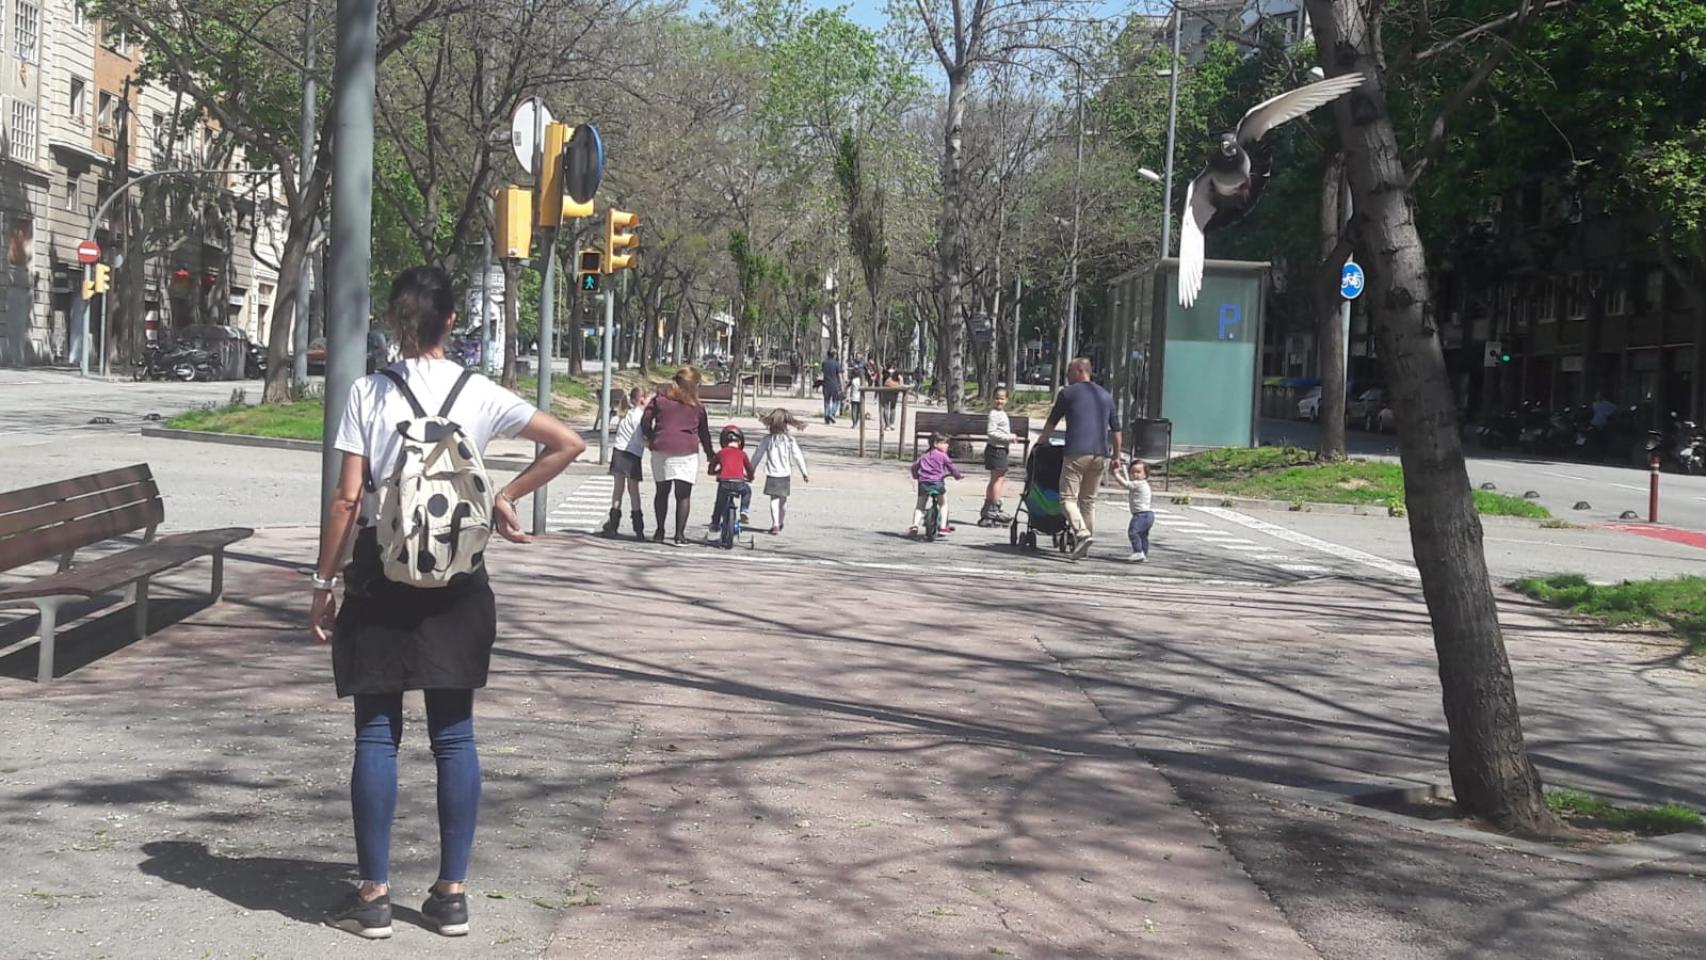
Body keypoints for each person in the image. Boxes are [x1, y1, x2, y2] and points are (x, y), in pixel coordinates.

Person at [311, 265, 585, 940]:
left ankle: (373, 898)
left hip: (381, 576)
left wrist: (325, 582)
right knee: (454, 736)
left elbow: (349, 499)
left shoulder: (368, 393)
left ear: (397, 322)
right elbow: (568, 443)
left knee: (377, 732)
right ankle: (451, 895)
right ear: (453, 322)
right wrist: (504, 495)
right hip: (459, 579)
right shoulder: (482, 393)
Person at [1037, 357, 1120, 561]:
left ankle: (1082, 534)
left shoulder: (1068, 393)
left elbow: (1052, 421)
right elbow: (1117, 430)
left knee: (1067, 499)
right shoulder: (1106, 396)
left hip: (1076, 451)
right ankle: (1084, 545)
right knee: (1088, 502)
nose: (1067, 375)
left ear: (1080, 371)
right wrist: (1117, 456)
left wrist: (1041, 442)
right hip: (1101, 453)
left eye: (1069, 372)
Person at [642, 366, 715, 545]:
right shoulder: (697, 407)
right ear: (692, 385)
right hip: (686, 452)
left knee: (661, 492)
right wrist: (710, 454)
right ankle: (679, 535)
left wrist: (653, 438)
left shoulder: (659, 400)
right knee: (683, 496)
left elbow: (645, 421)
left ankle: (659, 531)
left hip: (661, 450)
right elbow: (704, 433)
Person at [602, 386, 650, 539]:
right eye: (648, 398)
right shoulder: (639, 416)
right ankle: (638, 527)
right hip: (632, 454)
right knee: (633, 491)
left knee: (618, 490)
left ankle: (613, 524)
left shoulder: (627, 414)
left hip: (619, 452)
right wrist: (653, 446)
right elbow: (639, 439)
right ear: (642, 399)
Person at [752, 408, 810, 534]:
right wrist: (804, 472)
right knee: (783, 501)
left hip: (772, 473)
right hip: (785, 473)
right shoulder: (789, 440)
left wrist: (751, 469)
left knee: (774, 499)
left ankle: (775, 524)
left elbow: (758, 455)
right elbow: (798, 456)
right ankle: (780, 522)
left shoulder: (767, 439)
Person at [909, 431, 964, 537]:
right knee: (943, 504)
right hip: (937, 482)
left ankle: (915, 524)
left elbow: (914, 467)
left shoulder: (924, 456)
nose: (947, 445)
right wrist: (957, 476)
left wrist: (916, 476)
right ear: (935, 443)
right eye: (944, 443)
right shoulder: (943, 456)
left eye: (947, 443)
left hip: (924, 483)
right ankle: (943, 527)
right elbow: (951, 468)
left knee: (920, 505)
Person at [708, 424, 754, 534]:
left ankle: (715, 523)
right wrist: (750, 477)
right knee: (747, 491)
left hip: (724, 482)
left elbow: (711, 468)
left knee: (719, 503)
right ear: (740, 442)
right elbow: (749, 469)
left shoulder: (721, 453)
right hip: (739, 483)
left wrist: (716, 472)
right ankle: (744, 510)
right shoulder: (742, 454)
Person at [979, 387, 1016, 526]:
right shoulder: (994, 414)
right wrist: (1008, 438)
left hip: (1000, 449)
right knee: (998, 480)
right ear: (992, 399)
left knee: (996, 479)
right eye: (997, 398)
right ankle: (994, 506)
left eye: (1002, 398)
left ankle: (989, 507)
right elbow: (991, 432)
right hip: (997, 450)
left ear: (1006, 400)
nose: (999, 401)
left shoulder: (1001, 413)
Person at [1113, 458, 1154, 563]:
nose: (1135, 475)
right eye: (1132, 472)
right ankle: (1143, 553)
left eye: (1138, 472)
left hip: (1141, 515)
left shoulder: (1139, 484)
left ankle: (1138, 551)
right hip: (1148, 515)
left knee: (1133, 532)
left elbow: (1126, 484)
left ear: (1145, 475)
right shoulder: (1142, 484)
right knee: (1143, 535)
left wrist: (1116, 474)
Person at [821, 351, 844, 424]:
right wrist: (842, 385)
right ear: (834, 355)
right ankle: (831, 413)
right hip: (834, 384)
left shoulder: (824, 363)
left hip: (826, 384)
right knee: (836, 401)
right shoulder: (837, 364)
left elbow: (822, 372)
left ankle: (826, 417)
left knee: (826, 401)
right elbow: (840, 375)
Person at [879, 363, 902, 430]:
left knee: (885, 408)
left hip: (886, 392)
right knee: (893, 408)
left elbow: (881, 381)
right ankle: (892, 424)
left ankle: (887, 425)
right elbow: (901, 383)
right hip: (894, 393)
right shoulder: (898, 375)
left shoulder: (885, 373)